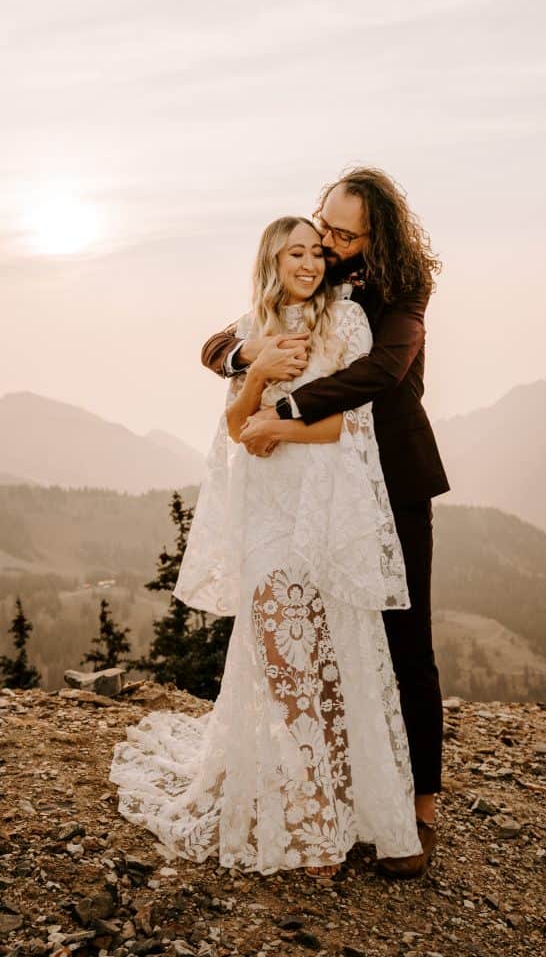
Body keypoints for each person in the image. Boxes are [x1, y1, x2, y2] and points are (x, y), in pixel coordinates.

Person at [110, 216, 422, 878]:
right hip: (265, 516)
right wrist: (259, 376)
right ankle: (310, 828)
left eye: (316, 252)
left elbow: (348, 425)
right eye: (294, 253)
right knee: (282, 669)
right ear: (272, 261)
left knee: (334, 663)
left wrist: (276, 425)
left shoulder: (345, 323)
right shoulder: (254, 326)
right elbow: (231, 422)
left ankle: (348, 808)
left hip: (321, 508)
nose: (308, 262)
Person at [201, 167, 449, 878]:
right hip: (310, 487)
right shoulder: (309, 276)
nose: (328, 245)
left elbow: (383, 372)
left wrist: (287, 411)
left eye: (343, 236)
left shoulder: (402, 290)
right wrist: (248, 356)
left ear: (378, 236)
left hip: (392, 477)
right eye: (323, 227)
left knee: (405, 637)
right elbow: (220, 342)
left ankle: (421, 803)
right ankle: (344, 789)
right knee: (326, 635)